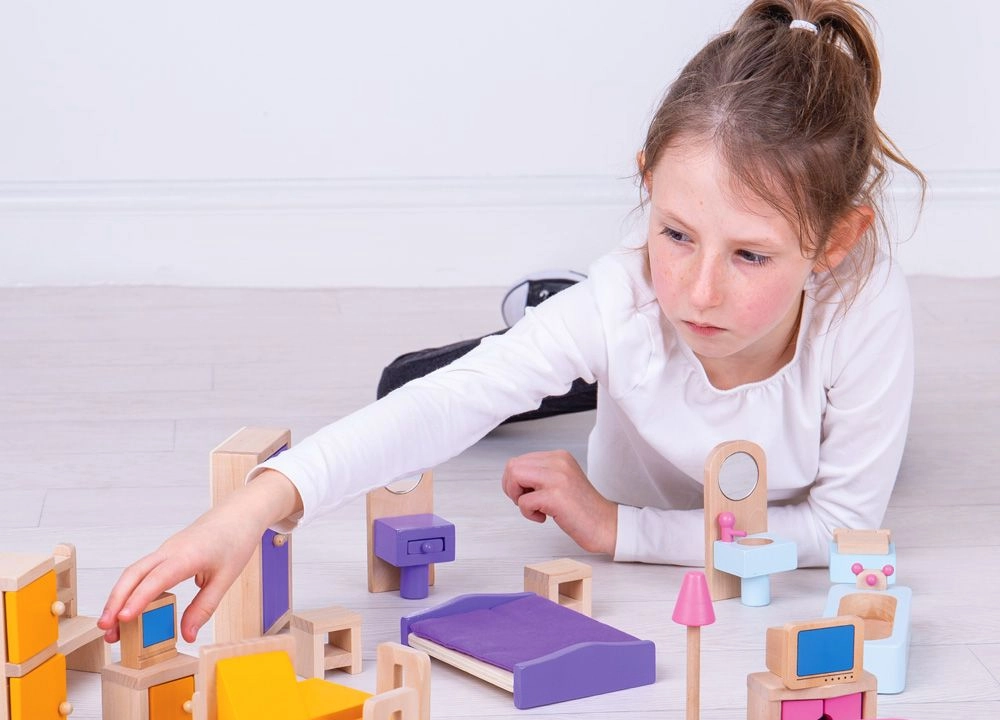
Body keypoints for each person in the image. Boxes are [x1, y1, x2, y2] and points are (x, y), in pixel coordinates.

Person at [100, 0, 924, 645]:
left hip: (639, 394)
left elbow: (841, 527)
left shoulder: (866, 307)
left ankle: (552, 326)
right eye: (675, 234)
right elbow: (444, 404)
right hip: (619, 339)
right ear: (646, 185)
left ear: (833, 243)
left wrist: (617, 528)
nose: (701, 292)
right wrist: (251, 509)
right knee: (418, 384)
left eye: (750, 256)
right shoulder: (629, 298)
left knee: (589, 339)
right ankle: (545, 321)